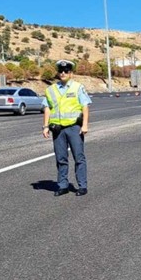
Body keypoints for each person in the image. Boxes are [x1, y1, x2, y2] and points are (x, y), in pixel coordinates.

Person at [42, 60, 91, 196]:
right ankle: (62, 185)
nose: (63, 73)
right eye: (61, 71)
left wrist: (85, 124)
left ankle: (82, 186)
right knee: (61, 158)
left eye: (66, 71)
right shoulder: (50, 90)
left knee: (79, 157)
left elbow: (85, 106)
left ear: (71, 73)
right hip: (57, 129)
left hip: (74, 127)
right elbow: (47, 108)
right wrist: (45, 126)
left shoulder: (77, 87)